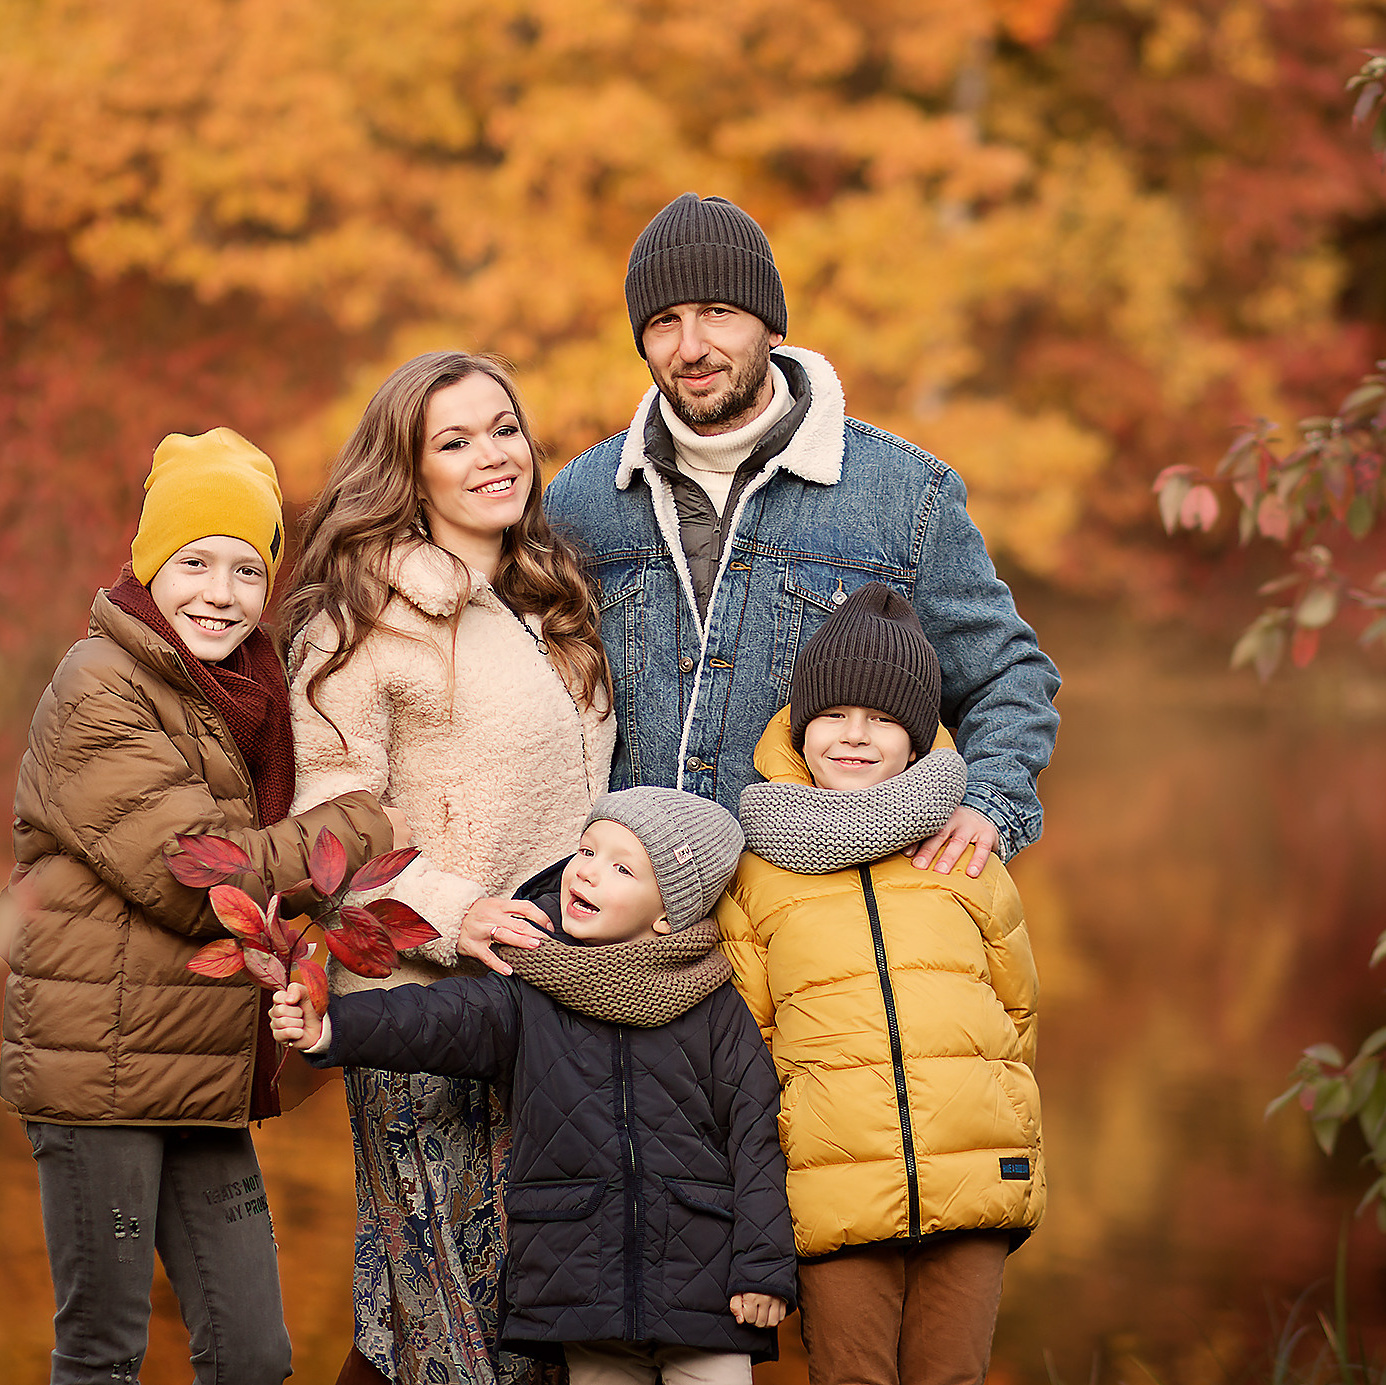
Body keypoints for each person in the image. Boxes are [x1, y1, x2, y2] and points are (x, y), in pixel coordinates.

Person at [2, 429, 402, 1385]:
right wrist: (362, 822)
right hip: (100, 1070)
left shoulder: (245, 692)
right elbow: (201, 880)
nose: (221, 593)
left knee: (254, 1354)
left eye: (246, 569)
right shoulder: (99, 685)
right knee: (105, 1352)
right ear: (149, 565)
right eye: (194, 562)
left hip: (202, 1068)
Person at [544, 192, 1060, 877]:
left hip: (815, 913)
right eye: (665, 321)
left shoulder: (905, 494)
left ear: (771, 326)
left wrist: (988, 805)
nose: (691, 347)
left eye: (717, 312)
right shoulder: (580, 498)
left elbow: (1007, 678)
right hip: (629, 921)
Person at [279, 352, 617, 1385]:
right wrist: (455, 908)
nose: (492, 455)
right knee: (450, 1330)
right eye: (455, 441)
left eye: (504, 429)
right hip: (418, 1012)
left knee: (527, 1322)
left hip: (549, 1007)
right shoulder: (362, 619)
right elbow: (325, 837)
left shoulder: (546, 598)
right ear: (409, 469)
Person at [268, 786, 796, 1385]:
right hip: (582, 1281)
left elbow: (756, 1140)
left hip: (705, 1286)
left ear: (668, 913)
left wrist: (763, 1269)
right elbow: (438, 1020)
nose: (588, 872)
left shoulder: (716, 1007)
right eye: (587, 851)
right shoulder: (531, 990)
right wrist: (330, 1025)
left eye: (622, 868)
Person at [715, 582, 1045, 1385]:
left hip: (972, 1173)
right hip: (831, 1188)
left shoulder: (963, 854)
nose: (855, 735)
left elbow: (1016, 1010)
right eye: (833, 714)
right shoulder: (756, 872)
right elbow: (748, 1042)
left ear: (917, 738)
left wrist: (993, 1121)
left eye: (882, 718)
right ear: (801, 726)